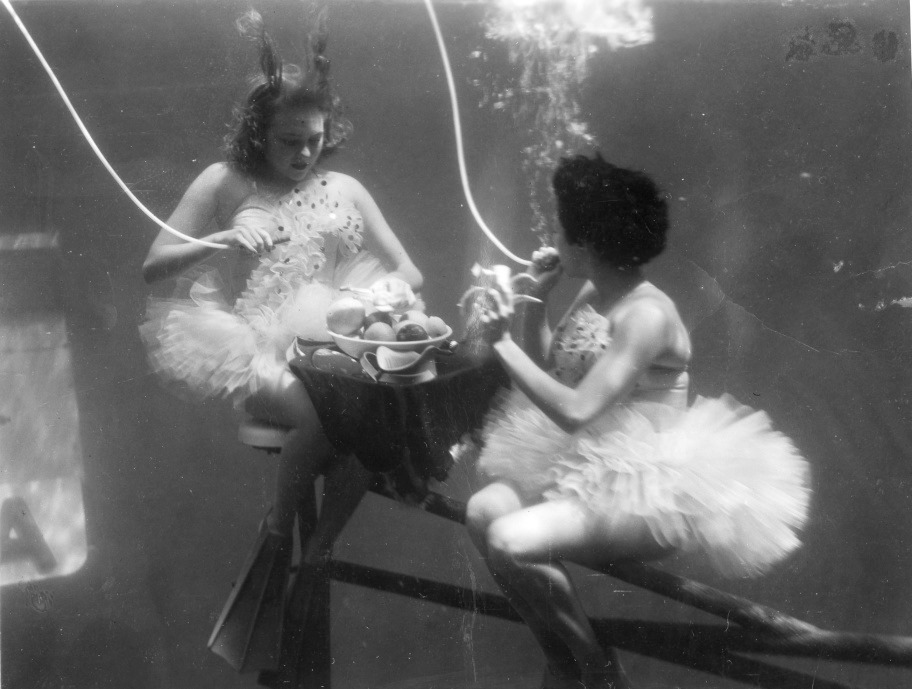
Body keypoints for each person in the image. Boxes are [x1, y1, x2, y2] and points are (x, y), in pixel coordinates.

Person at [140, 9, 422, 671]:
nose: (302, 155)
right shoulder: (224, 181)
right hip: (254, 345)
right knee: (328, 414)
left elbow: (408, 269)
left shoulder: (344, 187)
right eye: (288, 141)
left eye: (315, 140)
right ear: (257, 134)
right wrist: (220, 238)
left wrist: (368, 297)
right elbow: (153, 266)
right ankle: (279, 534)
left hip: (330, 340)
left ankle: (316, 551)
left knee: (377, 415)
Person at [463, 154, 811, 689]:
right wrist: (536, 300)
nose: (554, 234)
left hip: (647, 488)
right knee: (482, 511)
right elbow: (556, 371)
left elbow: (576, 411)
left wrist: (501, 343)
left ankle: (596, 668)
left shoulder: (645, 314)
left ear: (587, 243)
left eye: (562, 226)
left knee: (509, 542)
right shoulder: (596, 290)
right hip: (584, 466)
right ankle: (563, 659)